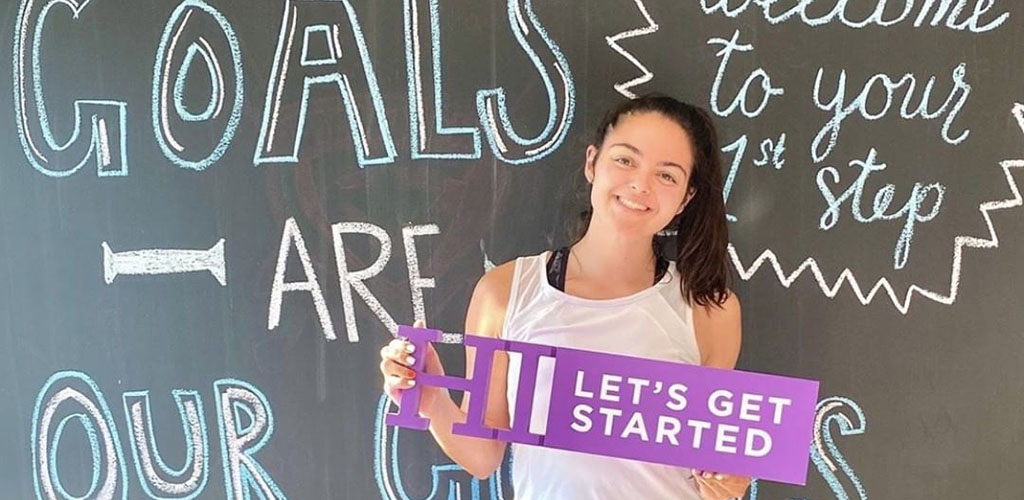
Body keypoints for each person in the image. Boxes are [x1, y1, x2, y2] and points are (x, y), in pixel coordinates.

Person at [379, 94, 750, 500]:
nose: (640, 184)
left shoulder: (709, 309)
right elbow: (483, 456)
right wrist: (431, 399)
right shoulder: (505, 293)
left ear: (687, 197)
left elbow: (717, 461)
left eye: (667, 175)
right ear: (592, 163)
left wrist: (729, 478)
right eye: (625, 160)